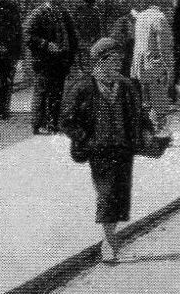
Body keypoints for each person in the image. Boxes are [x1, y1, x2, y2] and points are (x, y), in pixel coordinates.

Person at [62, 37, 154, 265]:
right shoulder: (83, 87)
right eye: (111, 61)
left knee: (120, 195)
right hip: (99, 151)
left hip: (123, 148)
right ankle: (108, 243)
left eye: (118, 61)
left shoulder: (127, 86)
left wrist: (147, 130)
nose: (116, 66)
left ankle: (110, 238)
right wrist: (86, 139)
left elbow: (140, 114)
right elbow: (66, 120)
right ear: (99, 63)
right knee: (107, 193)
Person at [26, 0, 79, 134]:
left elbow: (73, 36)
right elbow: (27, 35)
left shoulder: (65, 14)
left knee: (57, 93)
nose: (56, 1)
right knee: (41, 91)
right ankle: (37, 124)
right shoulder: (39, 13)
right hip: (44, 60)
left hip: (61, 61)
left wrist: (71, 56)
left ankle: (53, 123)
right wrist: (45, 44)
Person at [132, 0, 175, 132]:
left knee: (146, 101)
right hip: (155, 65)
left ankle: (146, 131)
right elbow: (164, 48)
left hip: (140, 66)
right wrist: (170, 71)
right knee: (160, 101)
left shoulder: (141, 16)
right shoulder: (160, 18)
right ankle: (158, 132)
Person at [71, 0, 104, 71]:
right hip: (87, 33)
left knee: (85, 50)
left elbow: (74, 21)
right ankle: (85, 66)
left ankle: (84, 66)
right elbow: (99, 24)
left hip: (86, 33)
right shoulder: (94, 10)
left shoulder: (81, 9)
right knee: (87, 50)